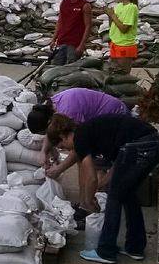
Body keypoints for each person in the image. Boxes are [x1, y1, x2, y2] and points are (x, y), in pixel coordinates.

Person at [45, 113, 159, 264]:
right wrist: (99, 187)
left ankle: (106, 251)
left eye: (62, 146)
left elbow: (91, 177)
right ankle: (135, 248)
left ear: (63, 136)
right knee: (127, 194)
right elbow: (115, 169)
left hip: (139, 146)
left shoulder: (80, 138)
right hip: (153, 143)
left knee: (114, 196)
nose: (67, 150)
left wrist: (88, 201)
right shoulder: (93, 132)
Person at [28, 88, 130, 216]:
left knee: (95, 168)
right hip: (103, 121)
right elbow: (59, 137)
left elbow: (78, 149)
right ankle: (85, 204)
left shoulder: (69, 113)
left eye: (61, 144)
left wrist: (59, 169)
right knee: (83, 163)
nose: (61, 147)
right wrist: (44, 151)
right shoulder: (49, 109)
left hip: (117, 120)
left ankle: (95, 210)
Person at [50, 0, 93, 65]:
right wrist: (54, 39)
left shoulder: (84, 5)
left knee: (70, 69)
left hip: (74, 44)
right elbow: (60, 21)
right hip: (62, 41)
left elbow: (88, 26)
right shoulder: (64, 2)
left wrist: (82, 45)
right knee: (55, 66)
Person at [106, 0, 140, 73]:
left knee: (123, 74)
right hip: (115, 44)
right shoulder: (119, 6)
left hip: (125, 45)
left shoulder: (131, 8)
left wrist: (113, 16)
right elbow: (113, 26)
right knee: (113, 73)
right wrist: (110, 16)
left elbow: (124, 29)